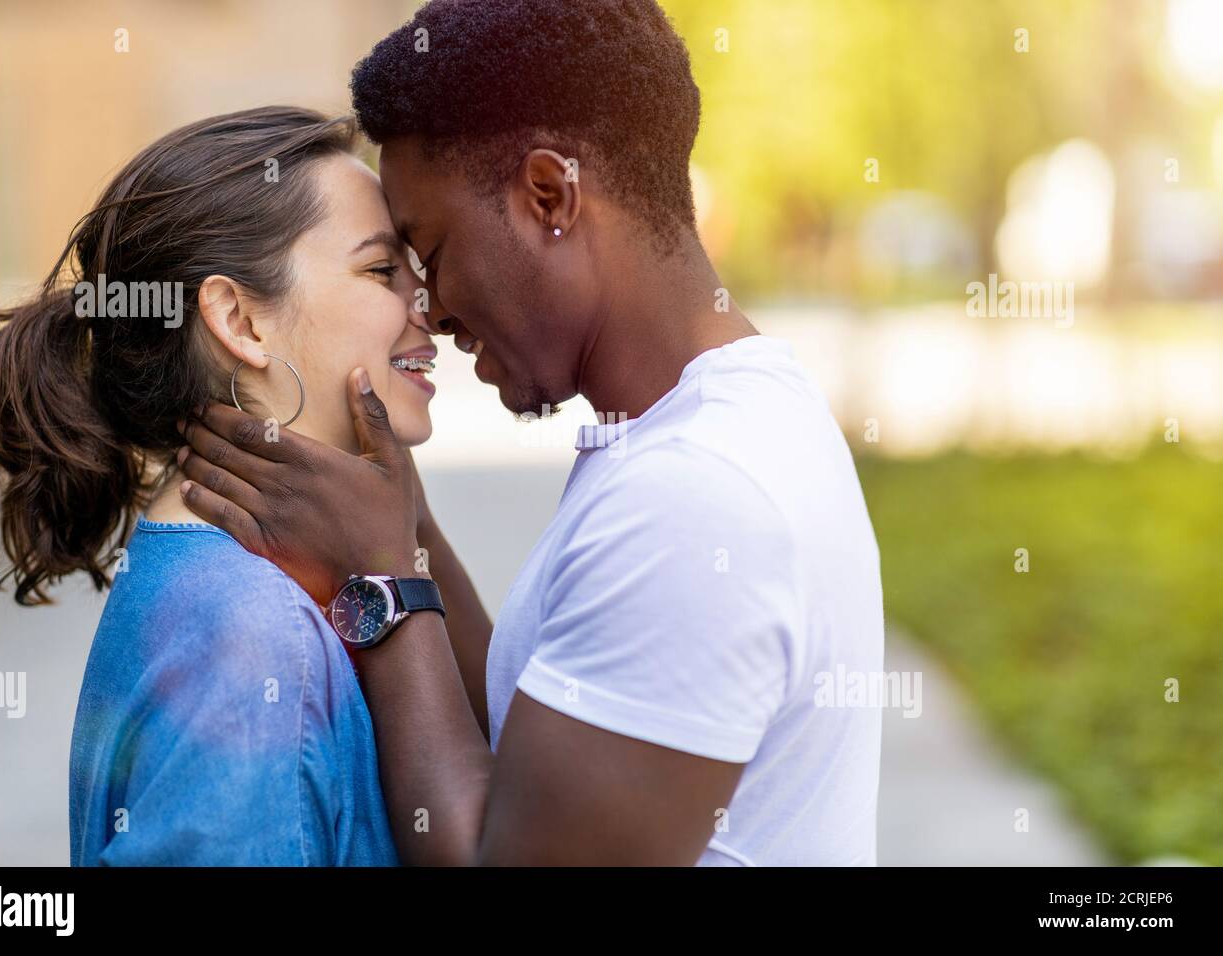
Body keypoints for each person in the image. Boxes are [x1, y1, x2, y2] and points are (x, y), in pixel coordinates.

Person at [178, 0, 886, 865]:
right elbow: (531, 742)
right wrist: (409, 528)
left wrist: (385, 581)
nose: (427, 313)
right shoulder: (720, 418)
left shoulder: (695, 500)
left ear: (548, 196)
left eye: (428, 254)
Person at [0, 105, 461, 865]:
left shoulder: (235, 584)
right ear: (240, 321)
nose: (430, 306)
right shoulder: (254, 637)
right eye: (382, 270)